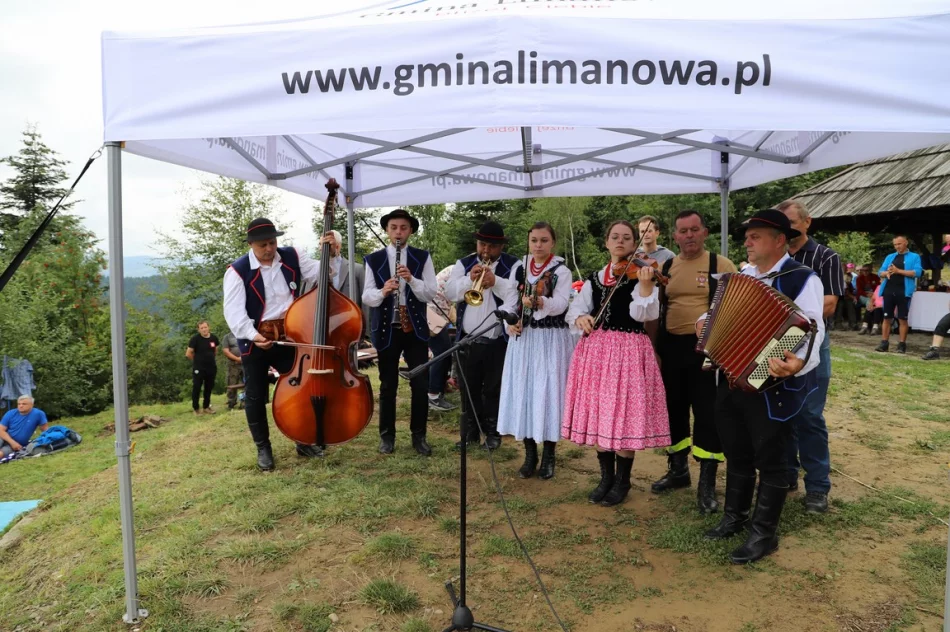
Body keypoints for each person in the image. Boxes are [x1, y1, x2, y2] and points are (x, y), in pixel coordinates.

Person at [699, 209, 824, 564]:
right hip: (730, 378)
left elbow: (810, 330)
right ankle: (734, 517)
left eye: (755, 236)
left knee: (771, 459)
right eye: (747, 237)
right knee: (736, 451)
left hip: (771, 386)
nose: (747, 242)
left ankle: (763, 534)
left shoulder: (802, 279)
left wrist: (795, 361)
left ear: (779, 240)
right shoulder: (742, 275)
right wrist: (704, 323)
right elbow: (719, 314)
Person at [562, 220, 670, 508]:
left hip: (628, 352)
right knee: (601, 413)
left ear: (635, 244)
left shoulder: (640, 276)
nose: (620, 242)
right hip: (596, 353)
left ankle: (623, 481)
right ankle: (605, 478)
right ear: (607, 243)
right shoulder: (595, 278)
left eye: (626, 238)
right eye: (614, 237)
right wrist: (580, 318)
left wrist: (646, 286)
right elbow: (576, 309)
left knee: (622, 414)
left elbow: (643, 314)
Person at [223, 217, 337, 471]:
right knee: (255, 394)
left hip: (290, 334)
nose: (269, 249)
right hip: (256, 337)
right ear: (251, 244)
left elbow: (322, 272)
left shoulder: (292, 255)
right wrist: (255, 336)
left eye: (272, 243)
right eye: (263, 245)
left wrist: (332, 255)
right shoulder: (237, 271)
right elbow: (233, 313)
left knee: (301, 387)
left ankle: (303, 439)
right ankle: (263, 448)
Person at [653, 210, 738, 514]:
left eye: (694, 230)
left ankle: (707, 483)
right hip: (671, 347)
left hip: (706, 350)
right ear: (674, 236)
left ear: (705, 232)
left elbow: (738, 305)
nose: (688, 235)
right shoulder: (666, 265)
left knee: (707, 413)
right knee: (673, 409)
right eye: (682, 231)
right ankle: (678, 471)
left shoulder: (721, 265)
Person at [779, 200, 844, 514]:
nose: (787, 228)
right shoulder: (774, 258)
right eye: (782, 223)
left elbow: (828, 306)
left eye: (792, 222)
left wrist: (781, 317)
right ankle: (787, 474)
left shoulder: (825, 256)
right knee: (782, 413)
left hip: (813, 345)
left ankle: (817, 488)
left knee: (809, 416)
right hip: (776, 346)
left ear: (807, 222)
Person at [498, 222, 575, 479]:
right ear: (529, 241)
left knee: (549, 392)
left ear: (552, 242)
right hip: (524, 338)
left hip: (551, 339)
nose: (538, 245)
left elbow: (562, 303)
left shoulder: (561, 271)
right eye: (534, 240)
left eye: (544, 240)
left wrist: (541, 302)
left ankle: (550, 455)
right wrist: (509, 321)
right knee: (525, 391)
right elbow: (510, 300)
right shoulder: (519, 268)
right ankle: (530, 454)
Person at [362, 209, 438, 456]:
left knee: (420, 383)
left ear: (411, 231)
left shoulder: (422, 257)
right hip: (386, 327)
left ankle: (419, 437)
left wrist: (412, 280)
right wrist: (384, 291)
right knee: (388, 385)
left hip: (414, 327)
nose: (398, 232)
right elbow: (367, 297)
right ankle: (387, 437)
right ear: (387, 230)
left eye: (403, 228)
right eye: (394, 227)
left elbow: (430, 293)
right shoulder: (373, 260)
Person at [444, 221, 521, 451]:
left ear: (501, 247)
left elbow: (514, 295)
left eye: (491, 246)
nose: (485, 251)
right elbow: (449, 292)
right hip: (467, 338)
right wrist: (470, 279)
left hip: (497, 339)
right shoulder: (464, 263)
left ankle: (493, 433)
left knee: (493, 389)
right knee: (469, 389)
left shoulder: (513, 264)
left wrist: (494, 281)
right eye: (481, 244)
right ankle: (469, 434)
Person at [876, 235, 924, 354]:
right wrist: (885, 273)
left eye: (900, 244)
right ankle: (884, 343)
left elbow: (917, 273)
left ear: (906, 243)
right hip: (888, 289)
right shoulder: (890, 256)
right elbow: (879, 272)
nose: (897, 246)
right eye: (895, 245)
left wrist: (898, 271)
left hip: (903, 291)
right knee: (887, 317)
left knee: (902, 318)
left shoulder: (914, 256)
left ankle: (901, 345)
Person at [426, 265, 458, 412]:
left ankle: (440, 388)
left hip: (437, 313)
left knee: (444, 352)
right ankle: (432, 395)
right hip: (433, 314)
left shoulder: (455, 268)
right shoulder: (461, 270)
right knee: (442, 353)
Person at [186, 320, 220, 416]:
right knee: (197, 387)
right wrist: (197, 361)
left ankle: (206, 407)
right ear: (199, 330)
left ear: (209, 327)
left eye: (205, 327)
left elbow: (215, 350)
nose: (204, 329)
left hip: (211, 367)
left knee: (209, 387)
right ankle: (196, 408)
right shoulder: (195, 339)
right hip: (199, 368)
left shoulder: (214, 338)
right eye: (202, 328)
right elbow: (188, 353)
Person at [221, 329, 244, 410]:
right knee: (232, 383)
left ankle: (244, 402)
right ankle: (231, 402)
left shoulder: (244, 334)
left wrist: (244, 358)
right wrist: (237, 359)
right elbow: (226, 351)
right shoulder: (227, 337)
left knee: (246, 382)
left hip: (245, 362)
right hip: (233, 364)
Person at [855, 265, 881, 334]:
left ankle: (866, 326)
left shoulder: (875, 277)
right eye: (863, 270)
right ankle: (870, 326)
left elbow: (878, 288)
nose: (864, 272)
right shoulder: (859, 278)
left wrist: (873, 295)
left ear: (870, 270)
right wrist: (867, 294)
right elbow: (859, 290)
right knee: (869, 303)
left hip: (874, 296)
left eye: (867, 270)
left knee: (873, 304)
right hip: (863, 296)